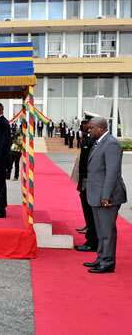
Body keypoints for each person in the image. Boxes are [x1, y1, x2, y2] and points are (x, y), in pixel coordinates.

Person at [83, 117, 127, 273]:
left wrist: (106, 196)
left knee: (107, 231)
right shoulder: (99, 142)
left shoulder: (111, 144)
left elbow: (112, 173)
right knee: (101, 230)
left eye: (91, 128)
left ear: (100, 128)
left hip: (107, 196)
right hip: (97, 194)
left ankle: (108, 262)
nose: (89, 130)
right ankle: (101, 257)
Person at [74, 112, 98, 252]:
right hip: (85, 181)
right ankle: (91, 236)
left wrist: (84, 183)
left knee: (90, 212)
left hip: (88, 182)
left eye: (86, 124)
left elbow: (89, 165)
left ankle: (92, 241)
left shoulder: (91, 140)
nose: (83, 126)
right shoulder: (87, 139)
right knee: (88, 211)